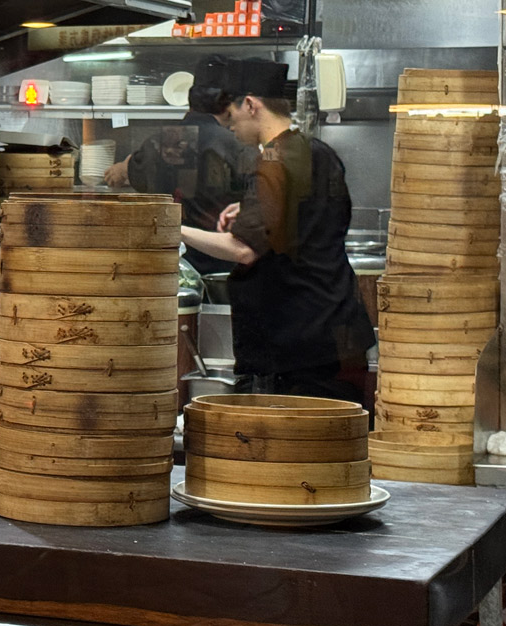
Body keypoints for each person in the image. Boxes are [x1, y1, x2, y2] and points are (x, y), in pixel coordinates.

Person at [176, 58, 374, 403]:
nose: (230, 128)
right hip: (336, 334)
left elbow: (243, 249)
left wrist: (172, 228)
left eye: (231, 117)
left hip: (293, 348)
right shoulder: (316, 151)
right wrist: (252, 210)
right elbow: (305, 220)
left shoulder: (274, 161)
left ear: (250, 105)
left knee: (288, 449)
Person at [103, 62, 251, 274]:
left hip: (168, 262)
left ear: (190, 103)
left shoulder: (158, 141)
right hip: (222, 262)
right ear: (227, 109)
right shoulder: (236, 146)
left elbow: (133, 172)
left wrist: (123, 166)